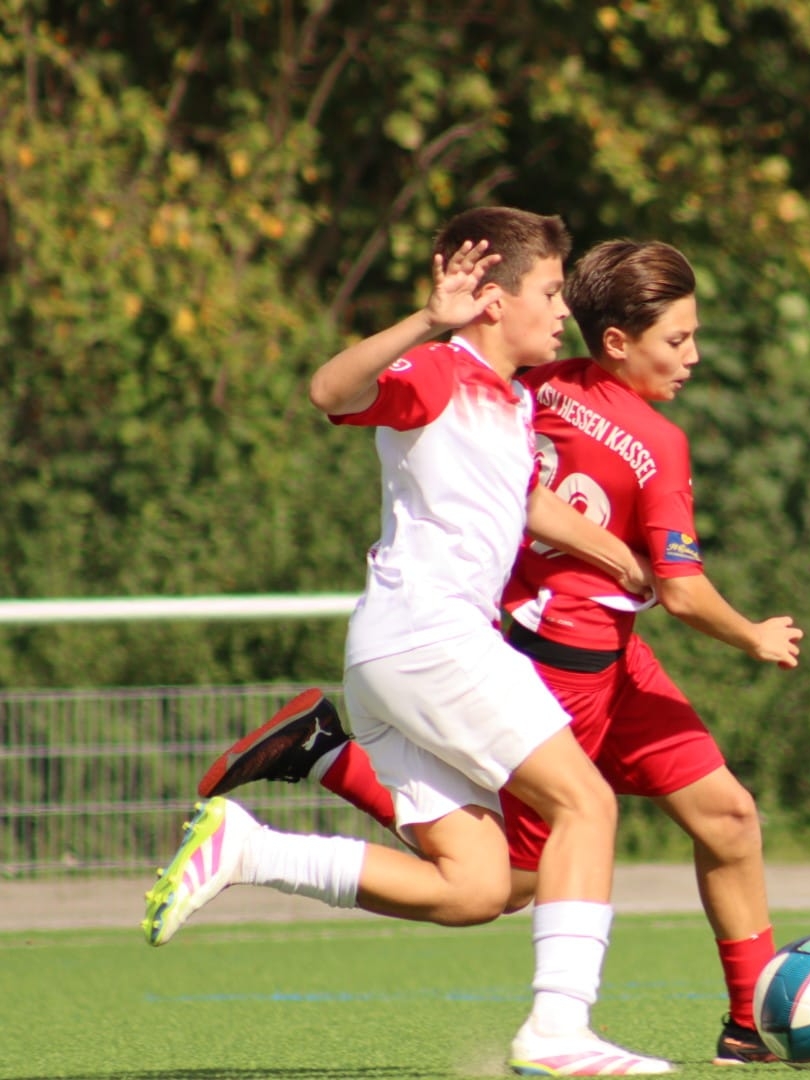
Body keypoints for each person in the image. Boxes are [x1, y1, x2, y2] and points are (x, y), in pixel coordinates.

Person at [198, 239, 803, 1066]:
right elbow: (681, 590)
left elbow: (524, 495)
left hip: (619, 661)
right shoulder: (608, 419)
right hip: (555, 665)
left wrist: (604, 553)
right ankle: (331, 763)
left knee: (728, 816)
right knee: (501, 882)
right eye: (678, 339)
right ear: (617, 340)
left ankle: (751, 1023)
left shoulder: (530, 387)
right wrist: (754, 633)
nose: (694, 355)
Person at [142, 207, 673, 1077]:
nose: (562, 311)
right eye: (548, 292)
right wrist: (427, 319)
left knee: (477, 888)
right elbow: (330, 391)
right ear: (493, 301)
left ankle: (251, 848)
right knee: (587, 805)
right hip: (433, 639)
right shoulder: (440, 369)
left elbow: (521, 503)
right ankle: (558, 1032)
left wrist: (616, 556)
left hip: (398, 652)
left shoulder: (510, 399)